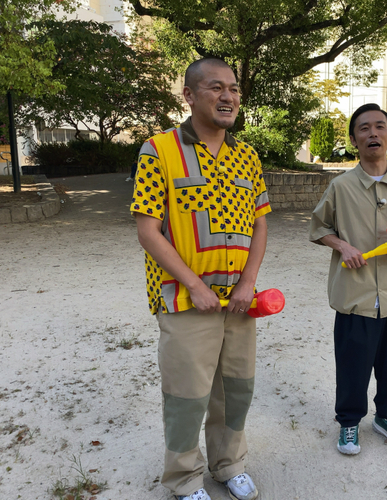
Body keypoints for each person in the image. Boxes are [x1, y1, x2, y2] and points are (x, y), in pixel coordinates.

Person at [131, 58, 271, 500]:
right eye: (216, 87)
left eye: (233, 88)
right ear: (189, 95)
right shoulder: (159, 149)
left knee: (236, 390)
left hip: (239, 302)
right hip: (184, 300)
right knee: (187, 397)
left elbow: (261, 223)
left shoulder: (247, 157)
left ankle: (229, 463)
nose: (228, 96)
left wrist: (249, 282)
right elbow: (147, 230)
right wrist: (194, 285)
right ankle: (185, 479)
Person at [309, 103, 387, 456]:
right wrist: (341, 245)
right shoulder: (341, 186)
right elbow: (318, 228)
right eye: (364, 128)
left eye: (379, 127)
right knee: (352, 364)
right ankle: (349, 422)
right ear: (353, 140)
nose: (372, 133)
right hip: (355, 295)